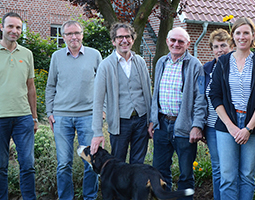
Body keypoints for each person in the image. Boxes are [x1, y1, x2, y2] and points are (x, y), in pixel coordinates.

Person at [209, 17, 255, 200]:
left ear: (253, 36)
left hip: (254, 125)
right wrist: (230, 126)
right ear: (233, 37)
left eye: (246, 33)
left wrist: (248, 128)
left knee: (247, 175)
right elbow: (214, 95)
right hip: (227, 125)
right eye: (238, 33)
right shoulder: (223, 62)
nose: (242, 36)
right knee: (227, 176)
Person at [147, 27, 206, 200]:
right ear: (167, 41)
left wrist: (197, 126)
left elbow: (201, 98)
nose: (176, 44)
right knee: (160, 172)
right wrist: (153, 120)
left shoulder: (195, 65)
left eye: (181, 41)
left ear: (188, 44)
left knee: (186, 173)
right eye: (173, 40)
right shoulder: (161, 62)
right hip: (162, 124)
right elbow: (155, 92)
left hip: (184, 127)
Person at [45, 20, 102, 200]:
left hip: (88, 116)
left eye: (76, 33)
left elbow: (103, 85)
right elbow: (50, 86)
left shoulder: (94, 55)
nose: (73, 37)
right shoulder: (57, 56)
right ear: (63, 37)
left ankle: (90, 197)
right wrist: (49, 112)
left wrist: (103, 110)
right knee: (63, 164)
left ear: (82, 34)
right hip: (62, 117)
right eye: (69, 34)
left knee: (91, 163)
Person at [90, 22, 152, 165]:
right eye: (120, 37)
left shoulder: (140, 62)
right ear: (113, 41)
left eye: (128, 36)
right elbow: (98, 101)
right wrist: (97, 132)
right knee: (118, 165)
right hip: (120, 122)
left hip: (141, 120)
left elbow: (148, 94)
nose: (124, 40)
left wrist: (151, 120)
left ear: (133, 39)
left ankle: (136, 188)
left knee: (138, 165)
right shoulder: (105, 66)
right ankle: (122, 189)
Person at [0, 12, 38, 200]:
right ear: (2, 27)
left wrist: (34, 117)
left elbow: (31, 88)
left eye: (18, 28)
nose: (14, 31)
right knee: (1, 165)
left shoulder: (27, 54)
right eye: (10, 26)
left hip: (23, 117)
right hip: (0, 117)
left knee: (28, 164)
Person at [203, 28, 233, 200]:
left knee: (230, 168)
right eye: (216, 46)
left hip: (231, 125)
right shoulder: (207, 69)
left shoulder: (236, 66)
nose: (220, 50)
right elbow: (201, 98)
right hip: (212, 126)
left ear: (230, 46)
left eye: (223, 45)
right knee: (217, 166)